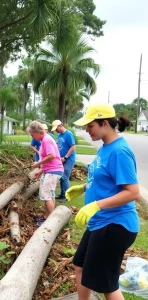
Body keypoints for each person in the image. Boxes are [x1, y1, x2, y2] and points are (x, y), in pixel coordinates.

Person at [65, 104, 140, 300]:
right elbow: (104, 178)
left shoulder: (120, 152)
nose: (87, 131)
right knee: (79, 264)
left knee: (107, 284)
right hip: (101, 222)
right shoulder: (106, 147)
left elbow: (132, 192)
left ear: (105, 123)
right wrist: (82, 188)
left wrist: (97, 205)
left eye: (90, 126)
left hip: (116, 224)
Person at [27, 121, 64, 225]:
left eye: (32, 135)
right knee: (50, 194)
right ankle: (46, 217)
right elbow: (51, 159)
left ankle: (50, 222)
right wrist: (41, 170)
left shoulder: (46, 140)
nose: (32, 137)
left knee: (46, 195)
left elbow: (52, 155)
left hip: (53, 171)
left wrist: (38, 163)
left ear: (38, 132)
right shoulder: (44, 139)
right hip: (51, 170)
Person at [51, 120, 76, 202]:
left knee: (65, 177)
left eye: (56, 129)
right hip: (61, 159)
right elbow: (59, 145)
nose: (55, 130)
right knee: (61, 177)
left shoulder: (68, 134)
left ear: (60, 126)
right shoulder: (59, 135)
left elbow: (73, 147)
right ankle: (62, 194)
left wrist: (65, 157)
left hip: (69, 159)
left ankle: (67, 196)